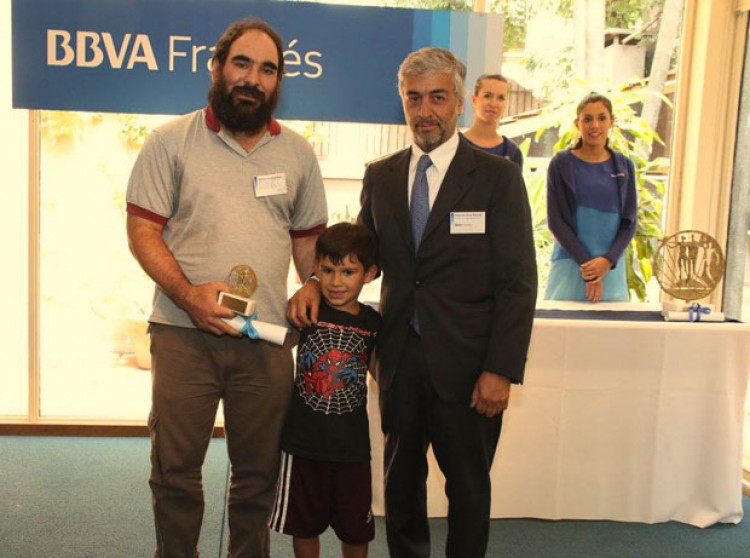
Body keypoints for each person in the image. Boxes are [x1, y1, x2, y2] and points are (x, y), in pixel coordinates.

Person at [288, 47, 537, 558]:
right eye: (414, 98)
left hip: (470, 369)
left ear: (460, 102)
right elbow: (360, 256)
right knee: (401, 489)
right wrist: (314, 279)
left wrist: (501, 369)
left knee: (469, 489)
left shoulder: (498, 178)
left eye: (438, 98)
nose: (425, 111)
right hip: (398, 361)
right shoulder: (380, 175)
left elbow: (518, 283)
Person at [125, 17, 328, 557]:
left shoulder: (298, 154)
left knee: (258, 477)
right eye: (242, 63)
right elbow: (143, 232)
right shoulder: (169, 142)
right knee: (174, 472)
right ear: (216, 66)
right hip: (182, 333)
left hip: (266, 340)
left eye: (267, 70)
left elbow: (309, 241)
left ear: (278, 81)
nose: (253, 79)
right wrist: (188, 295)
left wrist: (312, 281)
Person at [270, 222, 381, 558]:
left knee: (356, 529)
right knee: (303, 526)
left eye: (348, 272)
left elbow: (385, 373)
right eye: (328, 270)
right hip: (301, 445)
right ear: (314, 267)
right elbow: (272, 338)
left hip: (352, 448)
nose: (336, 282)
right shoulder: (306, 311)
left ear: (369, 274)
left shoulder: (374, 323)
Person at [544, 92, 637, 303]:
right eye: (587, 119)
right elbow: (556, 222)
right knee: (561, 323)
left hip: (610, 269)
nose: (595, 125)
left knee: (610, 324)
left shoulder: (624, 166)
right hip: (570, 266)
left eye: (602, 118)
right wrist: (588, 268)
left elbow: (629, 222)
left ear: (612, 121)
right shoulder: (561, 164)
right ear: (577, 124)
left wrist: (607, 261)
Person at [462, 74, 524, 170]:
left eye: (501, 98)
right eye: (487, 96)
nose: (493, 104)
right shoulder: (456, 145)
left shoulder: (512, 152)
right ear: (474, 100)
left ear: (505, 104)